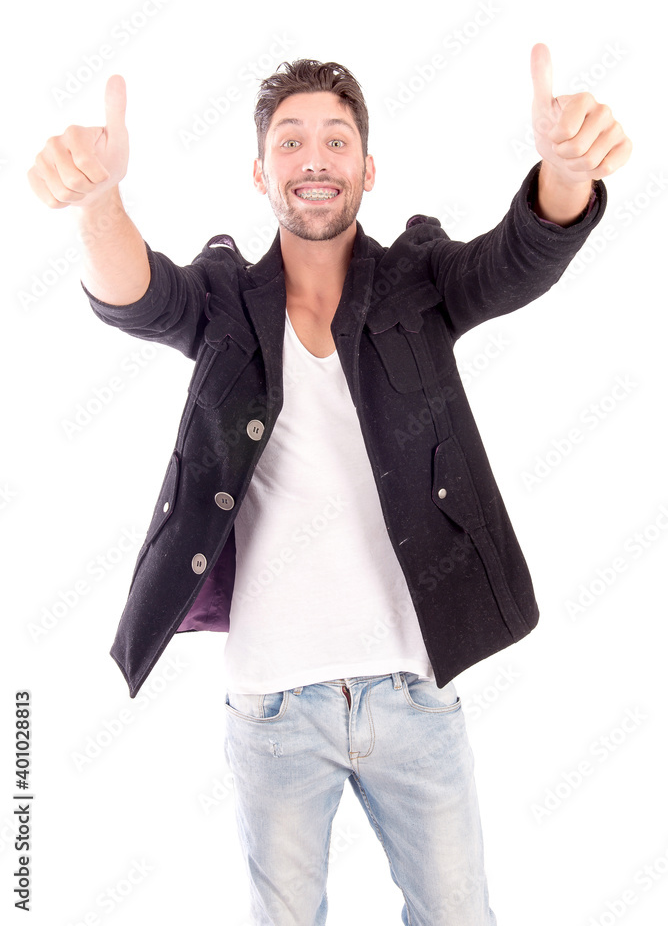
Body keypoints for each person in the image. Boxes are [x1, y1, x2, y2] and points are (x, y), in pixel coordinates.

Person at [28, 45, 631, 925]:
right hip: (271, 710)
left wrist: (567, 172)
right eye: (291, 141)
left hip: (414, 694)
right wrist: (97, 202)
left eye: (337, 140)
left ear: (368, 169)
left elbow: (510, 265)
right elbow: (142, 298)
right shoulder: (227, 300)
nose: (315, 158)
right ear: (261, 172)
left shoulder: (419, 279)